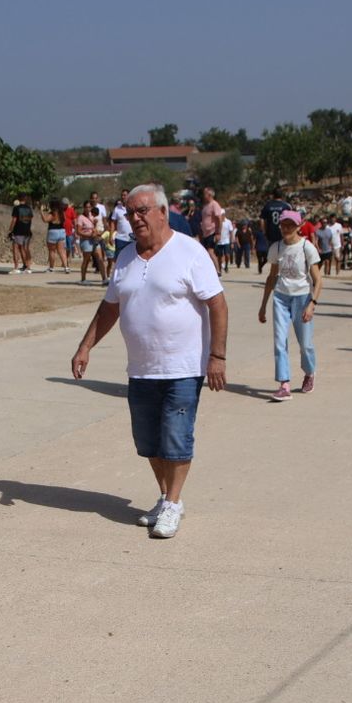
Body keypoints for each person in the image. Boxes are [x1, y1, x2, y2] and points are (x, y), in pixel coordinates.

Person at [71, 182, 227, 540]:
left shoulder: (190, 252)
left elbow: (217, 304)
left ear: (162, 212)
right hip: (141, 368)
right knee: (149, 442)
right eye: (130, 212)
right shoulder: (125, 257)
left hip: (184, 367)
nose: (135, 218)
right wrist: (86, 347)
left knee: (176, 438)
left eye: (142, 211)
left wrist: (217, 355)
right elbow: (111, 306)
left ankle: (172, 503)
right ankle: (166, 497)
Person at [258, 210, 323, 400]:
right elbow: (272, 277)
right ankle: (284, 383)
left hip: (302, 298)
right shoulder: (276, 248)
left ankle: (310, 372)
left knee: (306, 343)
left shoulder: (307, 247)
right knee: (279, 341)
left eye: (290, 225)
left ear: (299, 226)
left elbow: (318, 280)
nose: (286, 229)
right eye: (283, 225)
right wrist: (263, 305)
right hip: (281, 297)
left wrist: (312, 304)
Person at [76, 198, 108, 284]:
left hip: (94, 239)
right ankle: (83, 279)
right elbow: (78, 231)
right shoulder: (80, 218)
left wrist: (97, 232)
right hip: (86, 240)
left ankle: (104, 278)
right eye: (86, 207)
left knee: (100, 258)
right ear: (84, 208)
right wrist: (89, 235)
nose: (88, 209)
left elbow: (94, 226)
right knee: (86, 259)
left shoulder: (92, 216)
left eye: (89, 207)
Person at [199, 187, 226, 273]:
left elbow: (219, 218)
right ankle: (209, 270)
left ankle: (217, 271)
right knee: (205, 253)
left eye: (205, 194)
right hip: (205, 233)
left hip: (212, 232)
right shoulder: (205, 206)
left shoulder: (214, 204)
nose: (203, 196)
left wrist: (218, 233)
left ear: (209, 195)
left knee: (210, 251)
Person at [40, 198, 71, 273]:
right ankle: (66, 267)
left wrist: (41, 211)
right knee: (62, 251)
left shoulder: (52, 213)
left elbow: (45, 220)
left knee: (52, 251)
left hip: (53, 231)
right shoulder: (62, 213)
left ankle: (51, 268)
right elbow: (64, 220)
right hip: (62, 231)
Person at [9, 192, 36, 273]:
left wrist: (10, 230)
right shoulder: (29, 208)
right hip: (27, 231)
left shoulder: (16, 208)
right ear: (25, 198)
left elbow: (14, 220)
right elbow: (30, 220)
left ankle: (16, 267)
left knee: (15, 248)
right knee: (25, 249)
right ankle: (28, 267)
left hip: (18, 230)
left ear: (18, 198)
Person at [111, 189, 134, 257]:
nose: (123, 197)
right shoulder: (117, 208)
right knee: (119, 258)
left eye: (125, 195)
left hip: (132, 239)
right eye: (122, 195)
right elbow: (112, 222)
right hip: (120, 238)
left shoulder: (133, 207)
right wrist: (111, 236)